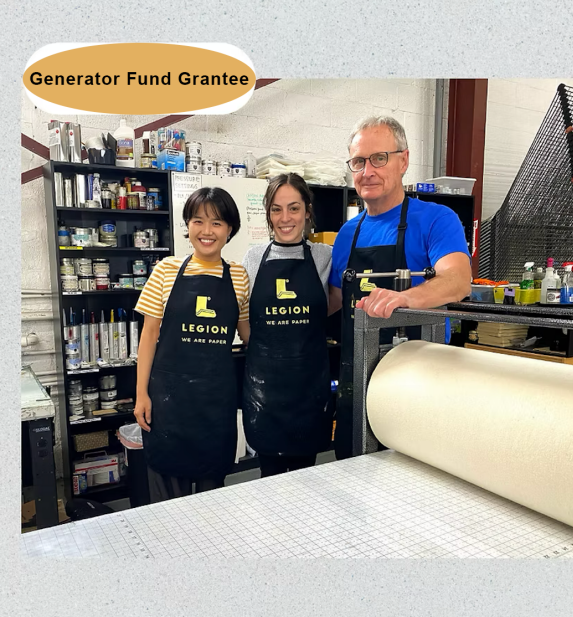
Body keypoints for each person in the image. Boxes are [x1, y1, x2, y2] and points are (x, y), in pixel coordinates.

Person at [330, 115, 472, 459]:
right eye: (359, 162)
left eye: (380, 158)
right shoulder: (347, 233)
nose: (368, 171)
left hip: (417, 382)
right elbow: (333, 301)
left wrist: (403, 299)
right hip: (357, 380)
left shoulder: (437, 219)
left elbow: (458, 280)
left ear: (403, 160)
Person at [133, 187, 250, 502]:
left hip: (216, 405)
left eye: (216, 223)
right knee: (167, 502)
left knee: (212, 500)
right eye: (198, 221)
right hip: (169, 402)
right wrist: (141, 394)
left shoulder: (238, 276)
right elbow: (149, 334)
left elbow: (248, 332)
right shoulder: (166, 270)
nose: (207, 231)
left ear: (229, 229)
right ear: (188, 225)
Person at [242, 173, 342, 478]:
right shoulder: (253, 258)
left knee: (306, 479)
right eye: (276, 209)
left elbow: (333, 301)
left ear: (307, 211)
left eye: (294, 208)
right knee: (269, 479)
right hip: (265, 394)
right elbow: (244, 316)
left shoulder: (325, 256)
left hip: (309, 391)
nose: (285, 218)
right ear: (268, 214)